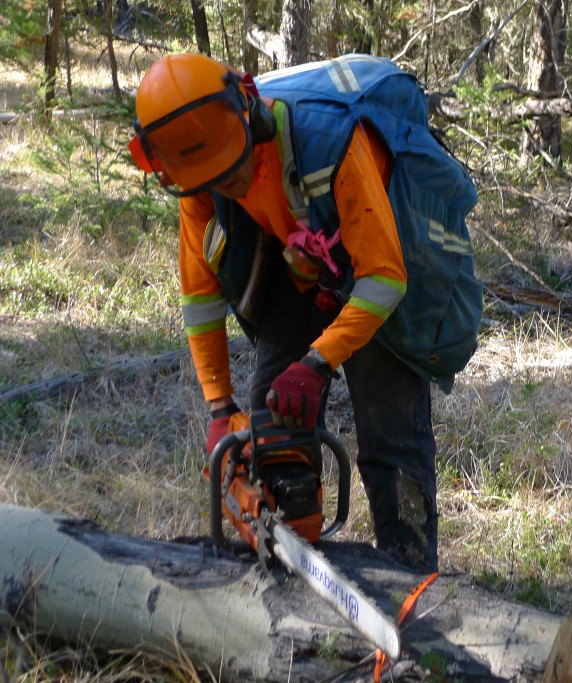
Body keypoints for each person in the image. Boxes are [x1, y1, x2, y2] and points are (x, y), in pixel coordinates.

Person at [129, 53, 472, 572]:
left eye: (235, 169)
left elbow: (385, 278)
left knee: (389, 433)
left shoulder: (329, 140)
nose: (229, 186)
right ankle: (285, 554)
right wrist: (220, 406)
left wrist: (318, 362)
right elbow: (200, 295)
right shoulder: (196, 167)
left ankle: (411, 572)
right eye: (213, 180)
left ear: (251, 117)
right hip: (298, 261)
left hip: (378, 260)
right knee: (272, 421)